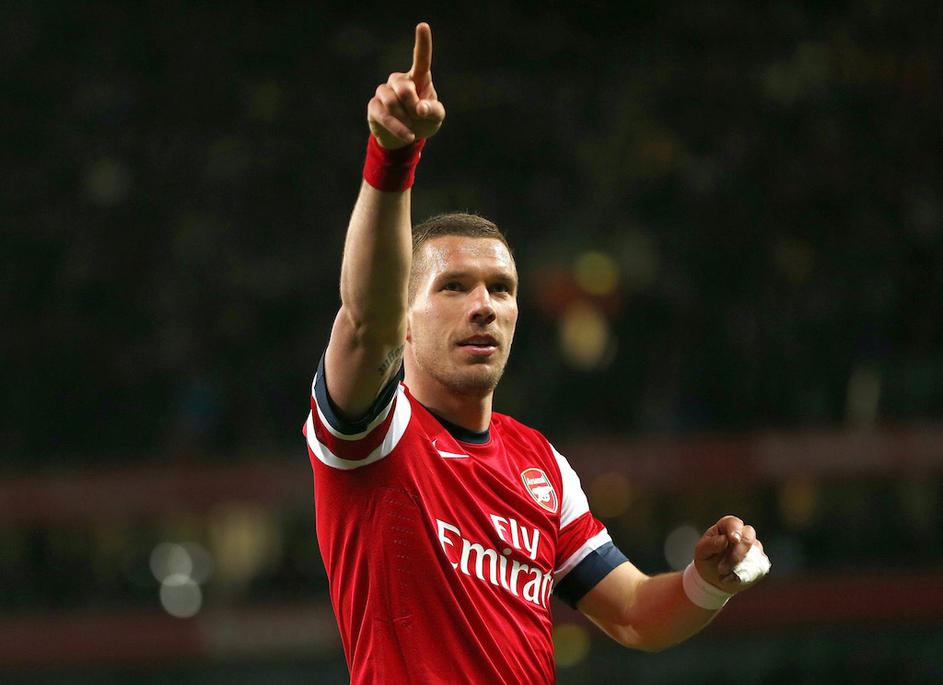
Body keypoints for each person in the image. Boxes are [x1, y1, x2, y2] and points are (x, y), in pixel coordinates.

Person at [303, 22, 770, 685]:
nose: (484, 305)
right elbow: (364, 320)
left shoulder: (539, 463)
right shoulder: (375, 435)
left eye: (501, 288)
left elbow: (634, 613)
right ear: (404, 322)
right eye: (453, 287)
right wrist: (392, 156)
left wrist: (708, 580)